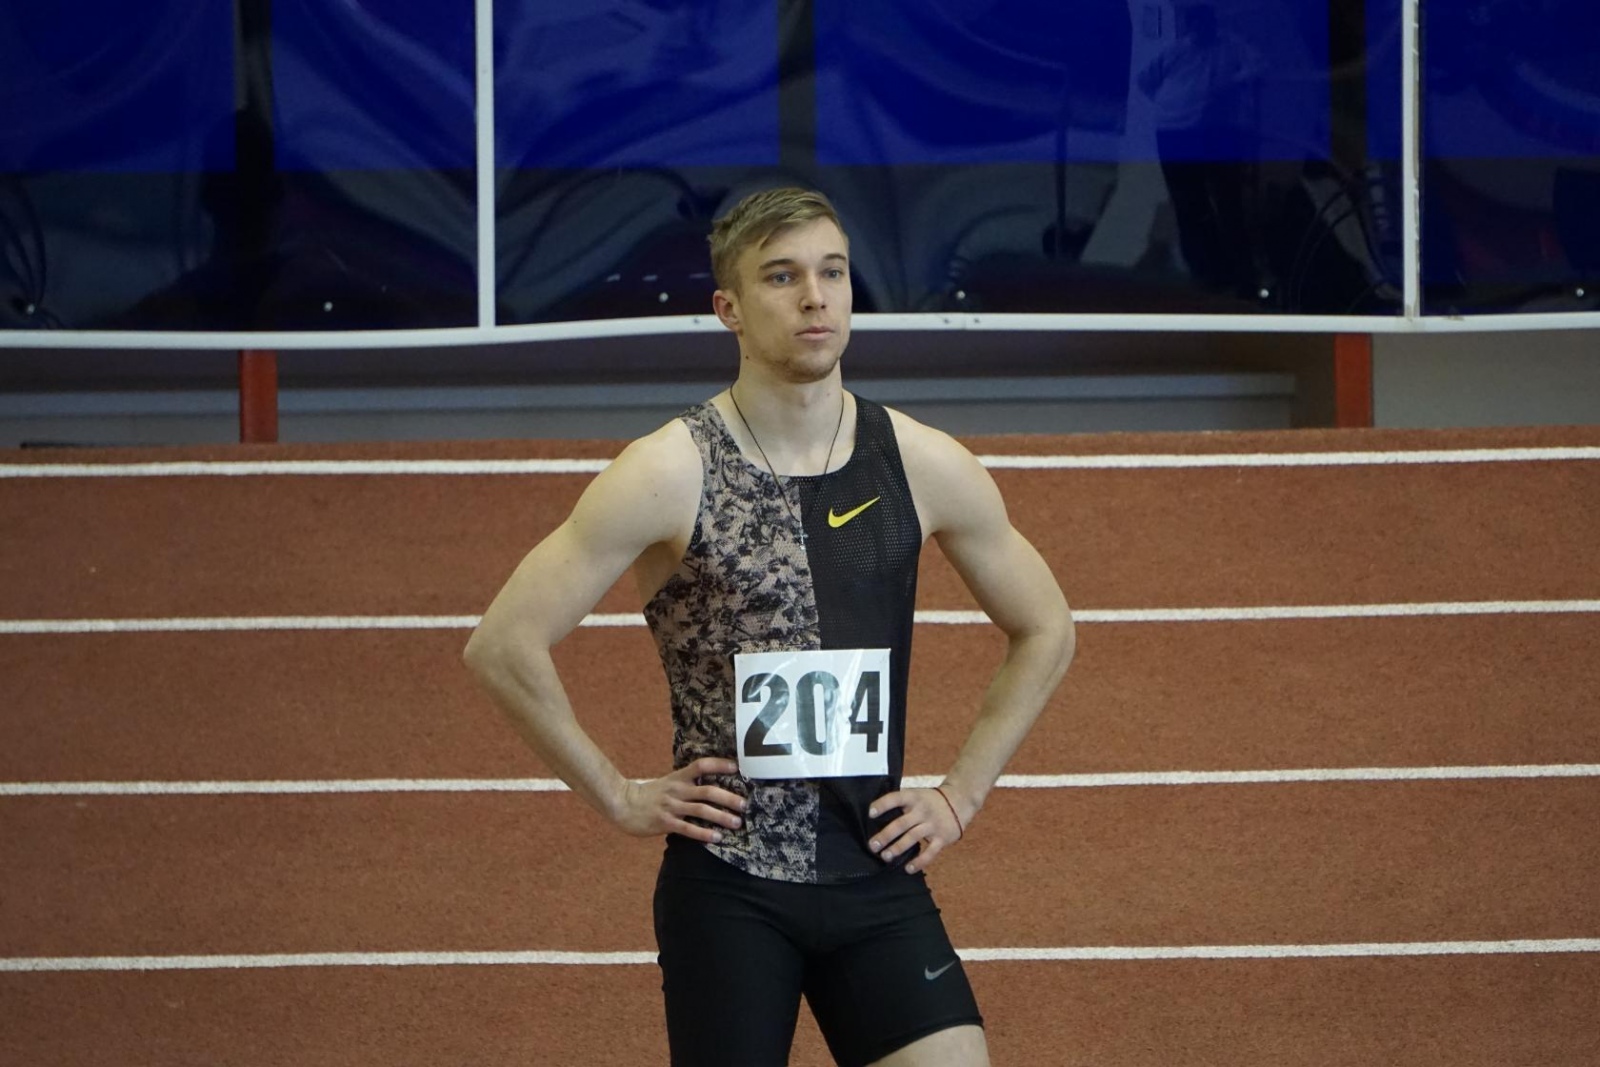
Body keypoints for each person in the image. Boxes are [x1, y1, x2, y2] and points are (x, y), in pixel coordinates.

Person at [464, 187, 1075, 1066]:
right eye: (782, 278)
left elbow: (1047, 626)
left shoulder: (919, 461)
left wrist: (960, 794)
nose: (815, 298)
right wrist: (620, 794)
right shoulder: (667, 471)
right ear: (730, 309)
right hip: (730, 886)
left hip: (874, 870)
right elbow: (503, 643)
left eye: (832, 273)